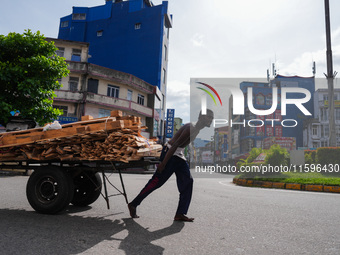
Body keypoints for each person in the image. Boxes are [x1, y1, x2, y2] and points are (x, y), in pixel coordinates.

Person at [128, 109, 214, 222]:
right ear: (201, 117)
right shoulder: (191, 127)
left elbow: (180, 146)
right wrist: (163, 163)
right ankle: (134, 204)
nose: (211, 120)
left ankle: (180, 213)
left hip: (179, 155)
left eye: (212, 118)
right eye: (209, 117)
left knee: (188, 182)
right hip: (170, 153)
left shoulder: (197, 129)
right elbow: (175, 145)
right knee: (156, 182)